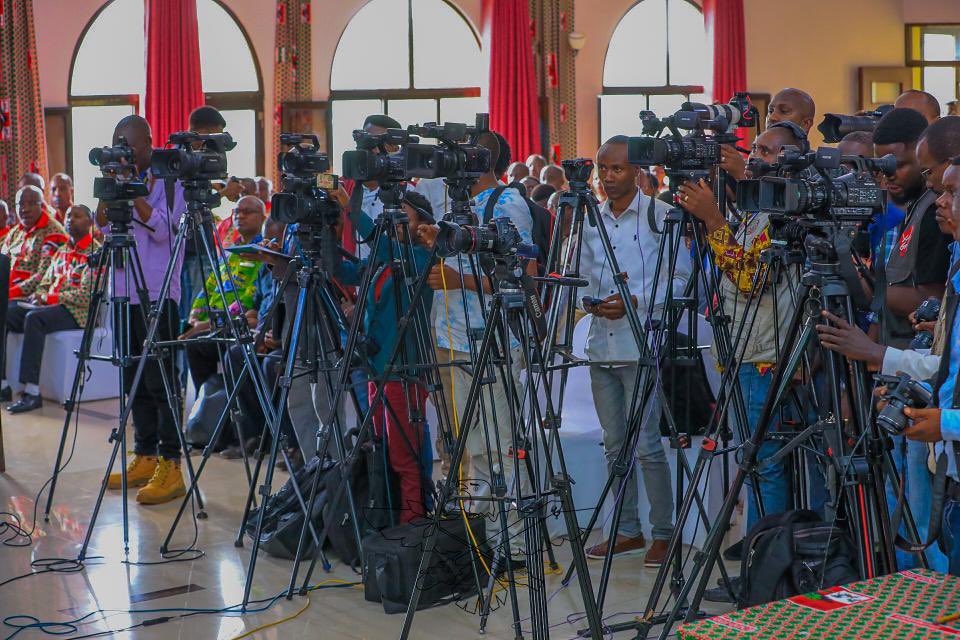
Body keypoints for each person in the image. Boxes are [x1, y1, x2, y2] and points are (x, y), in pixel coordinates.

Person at [678, 123, 806, 551]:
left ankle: (770, 561)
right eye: (754, 147)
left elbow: (752, 277)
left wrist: (713, 218)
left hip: (764, 354)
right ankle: (759, 546)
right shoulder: (757, 208)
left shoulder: (787, 212)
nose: (755, 156)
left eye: (768, 151)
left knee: (763, 460)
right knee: (751, 458)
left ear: (790, 161)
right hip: (744, 350)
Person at [578, 135, 689, 566]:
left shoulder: (662, 217)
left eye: (617, 168)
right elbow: (583, 275)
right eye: (603, 168)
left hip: (641, 341)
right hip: (600, 342)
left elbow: (681, 279)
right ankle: (626, 531)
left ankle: (664, 533)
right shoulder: (591, 220)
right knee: (613, 444)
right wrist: (589, 303)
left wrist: (637, 301)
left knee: (646, 444)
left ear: (638, 171)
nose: (608, 176)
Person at [426, 130, 535, 562]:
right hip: (451, 337)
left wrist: (461, 281)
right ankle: (485, 540)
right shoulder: (460, 207)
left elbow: (520, 278)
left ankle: (515, 543)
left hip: (492, 339)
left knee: (501, 443)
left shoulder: (508, 203)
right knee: (471, 446)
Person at [100, 114, 188, 506]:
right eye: (118, 143)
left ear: (148, 144)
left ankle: (171, 464)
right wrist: (111, 187)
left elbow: (167, 228)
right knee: (132, 375)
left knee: (161, 380)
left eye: (129, 145)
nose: (124, 151)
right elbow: (103, 223)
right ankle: (145, 452)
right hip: (122, 289)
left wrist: (133, 191)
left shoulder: (170, 180)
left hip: (157, 289)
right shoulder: (118, 175)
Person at [339, 190, 436, 523]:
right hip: (376, 368)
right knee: (381, 450)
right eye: (391, 217)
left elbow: (381, 245)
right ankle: (390, 518)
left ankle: (413, 525)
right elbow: (345, 271)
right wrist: (325, 230)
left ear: (423, 224)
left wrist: (351, 206)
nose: (395, 223)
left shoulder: (422, 257)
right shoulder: (382, 259)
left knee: (403, 456)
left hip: (403, 367)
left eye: (403, 217)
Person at [5, 204, 99, 413]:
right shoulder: (63, 250)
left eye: (77, 216)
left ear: (90, 222)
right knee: (7, 312)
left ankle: (32, 392)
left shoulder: (95, 253)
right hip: (51, 306)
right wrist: (40, 296)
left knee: (34, 319)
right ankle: (4, 384)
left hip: (76, 313)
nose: (69, 220)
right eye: (67, 216)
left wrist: (49, 297)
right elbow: (45, 281)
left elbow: (85, 296)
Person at [872, 108, 951, 349]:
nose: (888, 175)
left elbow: (933, 300)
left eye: (899, 165)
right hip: (896, 355)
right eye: (882, 166)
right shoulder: (914, 205)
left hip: (916, 358)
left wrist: (866, 287)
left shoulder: (937, 211)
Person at [179, 195, 267, 391]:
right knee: (188, 338)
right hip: (216, 321)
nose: (240, 216)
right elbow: (210, 285)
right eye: (237, 212)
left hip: (242, 324)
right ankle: (209, 401)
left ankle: (231, 406)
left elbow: (250, 301)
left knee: (200, 341)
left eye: (247, 212)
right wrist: (196, 314)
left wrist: (208, 324)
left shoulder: (264, 252)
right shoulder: (229, 251)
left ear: (262, 217)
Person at [347, 114, 403, 261]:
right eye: (369, 141)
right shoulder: (344, 189)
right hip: (353, 280)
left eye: (380, 142)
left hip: (390, 279)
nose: (374, 149)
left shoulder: (408, 192)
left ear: (396, 148)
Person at [3, 185, 67, 302]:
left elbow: (42, 276)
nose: (25, 209)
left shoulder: (53, 234)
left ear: (42, 206)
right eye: (21, 204)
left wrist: (8, 293)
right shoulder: (16, 232)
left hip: (29, 297)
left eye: (31, 203)